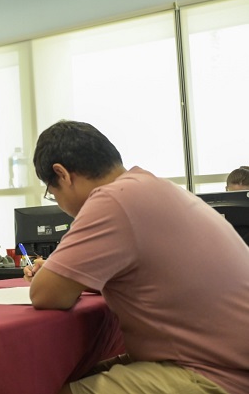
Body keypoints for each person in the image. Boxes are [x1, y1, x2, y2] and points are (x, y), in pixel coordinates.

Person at [23, 120, 249, 394]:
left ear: (62, 175)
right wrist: (66, 272)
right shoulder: (148, 185)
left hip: (213, 373)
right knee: (57, 377)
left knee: (46, 387)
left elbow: (47, 295)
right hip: (225, 358)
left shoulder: (111, 200)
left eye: (52, 191)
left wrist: (55, 275)